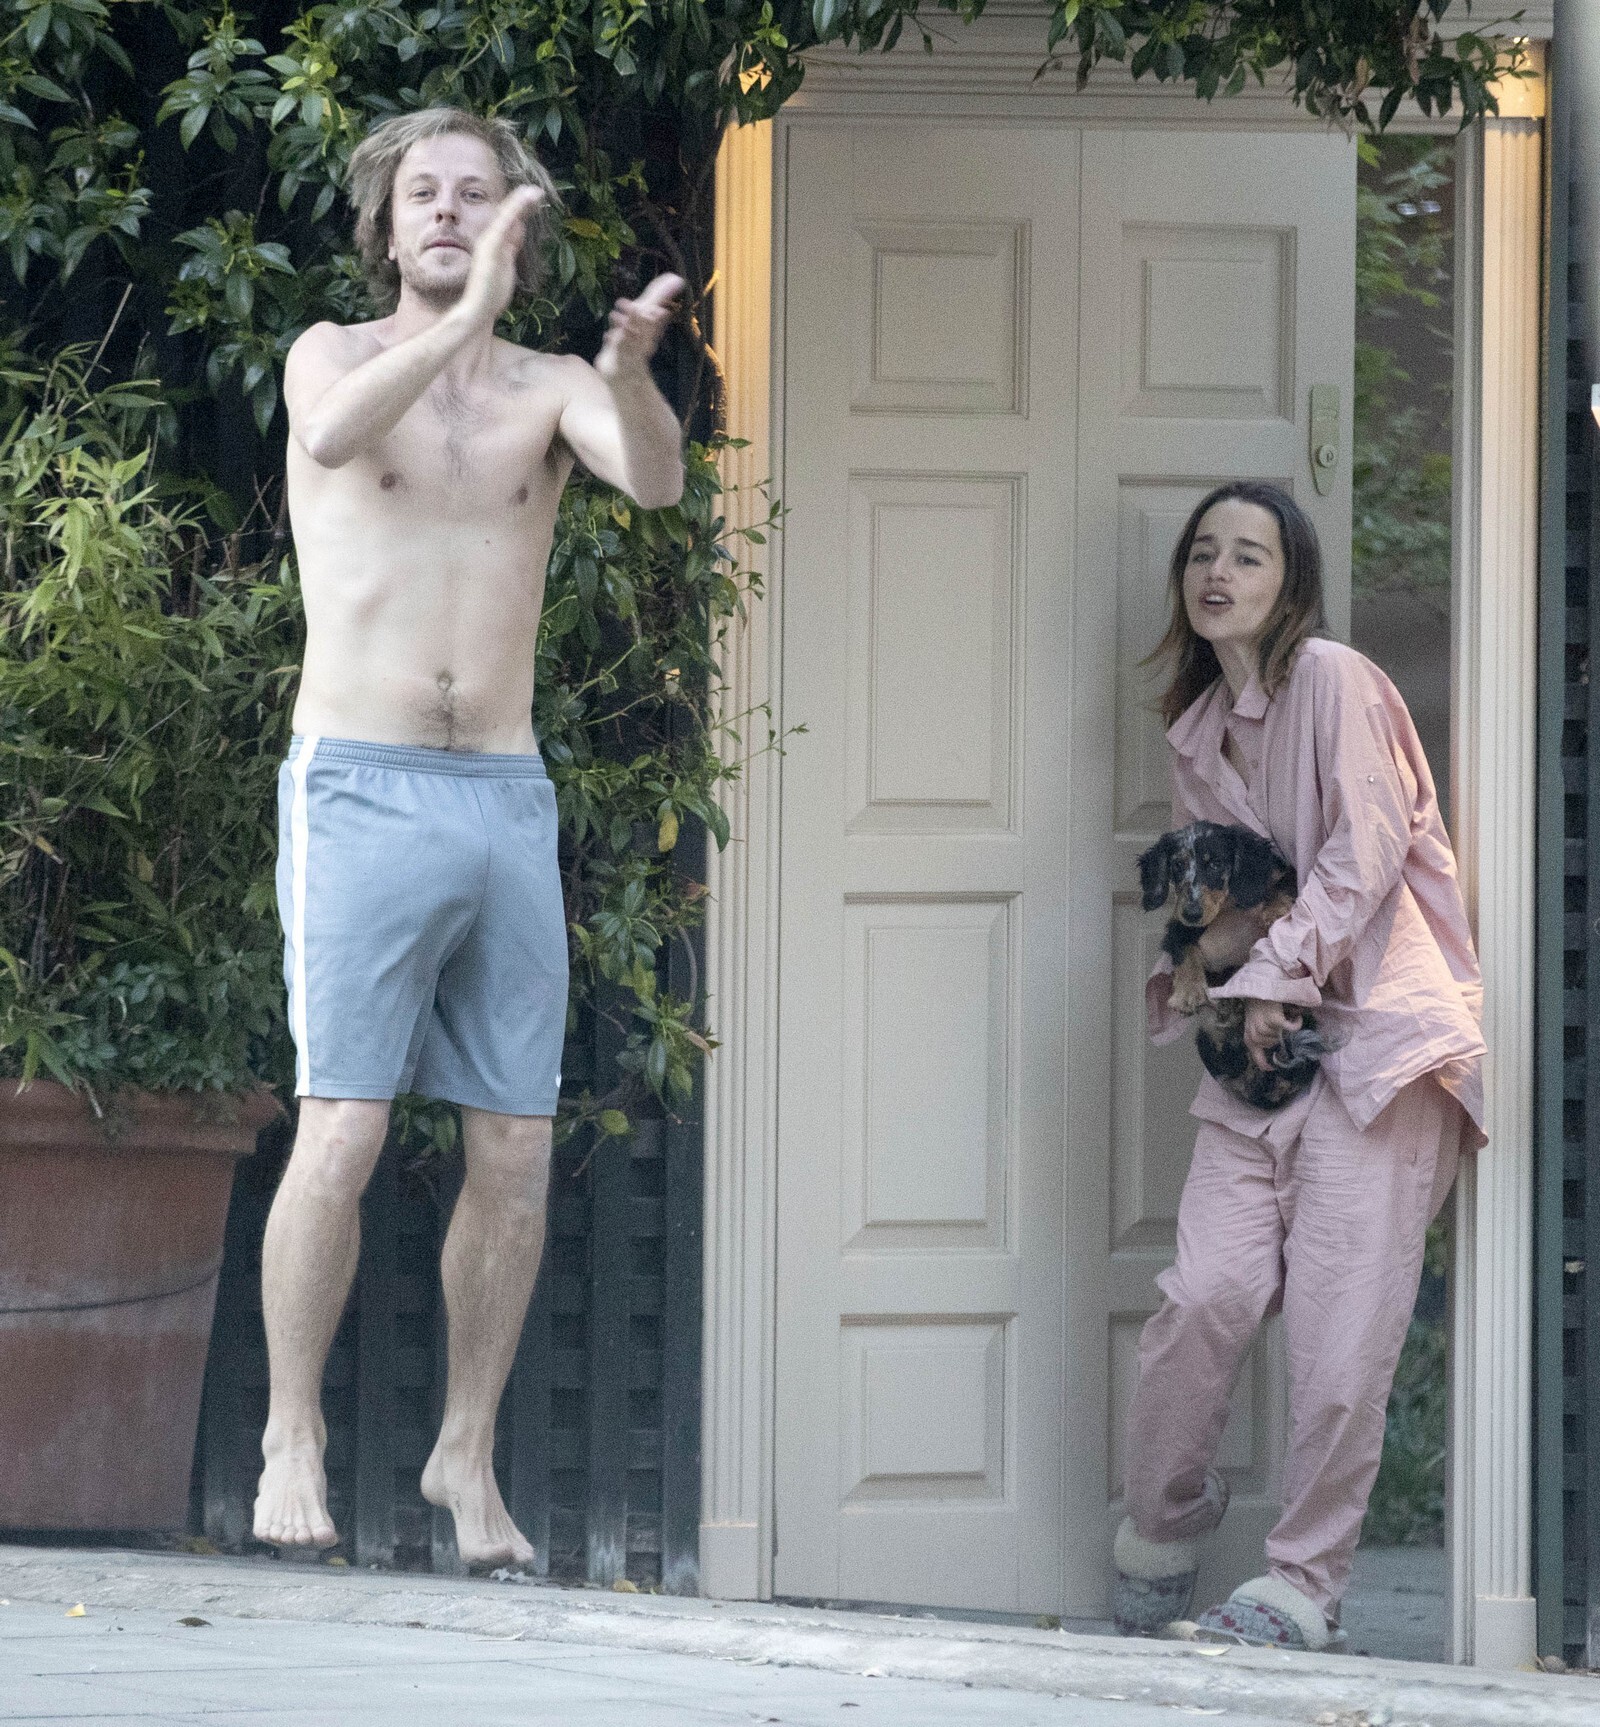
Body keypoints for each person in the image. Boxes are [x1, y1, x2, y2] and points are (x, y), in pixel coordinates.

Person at [252, 107, 685, 1565]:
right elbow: (328, 435)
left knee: (514, 1144)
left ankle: (465, 1455)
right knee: (346, 1123)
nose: (447, 210)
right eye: (424, 195)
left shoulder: (551, 385)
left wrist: (629, 373)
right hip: (358, 785)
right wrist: (465, 318)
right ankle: (292, 1433)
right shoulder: (330, 352)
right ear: (386, 228)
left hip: (503, 790)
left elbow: (655, 478)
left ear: (516, 219)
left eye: (476, 193)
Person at [1111, 481, 1485, 1651]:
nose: (1217, 573)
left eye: (1248, 556)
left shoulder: (1334, 678)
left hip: (1376, 1050)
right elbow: (1232, 892)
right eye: (1202, 553)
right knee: (1202, 1297)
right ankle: (1164, 1523)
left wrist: (1273, 968)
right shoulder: (1196, 730)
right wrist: (1197, 965)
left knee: (1336, 1345)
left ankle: (1300, 1591)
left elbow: (1365, 850)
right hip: (1261, 1062)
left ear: (1291, 584)